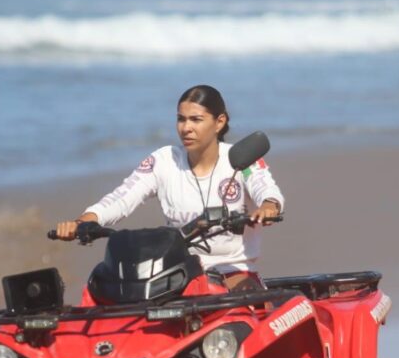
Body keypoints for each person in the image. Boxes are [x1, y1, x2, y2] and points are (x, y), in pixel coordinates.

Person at [54, 85, 284, 291]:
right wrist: (84, 222)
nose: (186, 128)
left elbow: (267, 191)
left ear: (220, 122)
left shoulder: (241, 160)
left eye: (196, 119)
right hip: (178, 274)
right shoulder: (165, 160)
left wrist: (268, 208)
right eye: (181, 119)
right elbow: (121, 198)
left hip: (232, 273)